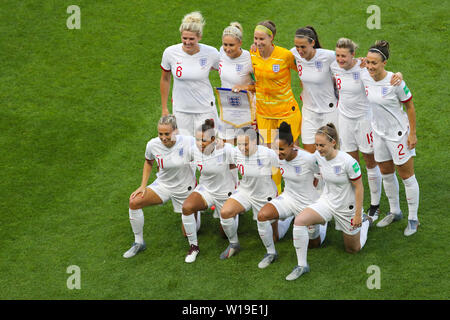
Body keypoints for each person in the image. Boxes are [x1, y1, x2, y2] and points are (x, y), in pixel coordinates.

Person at [286, 123, 372, 281]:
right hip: (326, 202)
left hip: (347, 207)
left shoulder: (348, 162)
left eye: (322, 145)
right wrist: (290, 148)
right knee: (299, 221)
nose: (318, 148)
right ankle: (302, 265)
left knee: (352, 249)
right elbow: (308, 155)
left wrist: (358, 215)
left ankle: (365, 223)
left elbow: (359, 187)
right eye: (316, 144)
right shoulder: (319, 156)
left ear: (333, 143)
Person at [330, 38, 403, 220]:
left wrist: (399, 75)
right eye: (338, 55)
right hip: (345, 120)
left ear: (353, 55)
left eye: (344, 56)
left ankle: (375, 205)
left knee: (370, 163)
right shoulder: (333, 66)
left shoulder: (364, 68)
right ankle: (356, 205)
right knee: (351, 164)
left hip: (364, 121)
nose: (340, 59)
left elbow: (384, 77)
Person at [361, 40, 420, 236]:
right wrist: (360, 61)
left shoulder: (396, 82)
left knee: (406, 176)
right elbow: (347, 61)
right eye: (368, 62)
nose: (370, 66)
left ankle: (413, 219)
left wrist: (412, 133)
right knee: (386, 172)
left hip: (398, 135)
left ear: (384, 63)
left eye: (374, 63)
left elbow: (410, 106)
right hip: (379, 134)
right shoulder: (365, 75)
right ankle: (395, 211)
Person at [123, 115, 198, 258]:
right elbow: (148, 162)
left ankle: (195, 214)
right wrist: (143, 186)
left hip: (184, 189)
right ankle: (138, 242)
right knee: (134, 202)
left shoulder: (189, 142)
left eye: (167, 134)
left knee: (186, 232)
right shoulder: (152, 144)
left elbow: (204, 158)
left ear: (175, 131)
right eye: (160, 134)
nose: (163, 138)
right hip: (163, 185)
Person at [257, 122, 327, 269]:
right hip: (288, 198)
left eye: (281, 149)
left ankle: (322, 223)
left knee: (314, 245)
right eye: (275, 148)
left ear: (291, 146)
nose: (278, 152)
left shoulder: (307, 159)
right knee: (262, 216)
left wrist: (322, 195)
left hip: (309, 203)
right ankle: (271, 253)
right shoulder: (277, 157)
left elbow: (325, 171)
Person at [251, 20, 301, 193]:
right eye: (255, 38)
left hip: (287, 112)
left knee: (290, 154)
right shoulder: (252, 55)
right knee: (270, 158)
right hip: (264, 114)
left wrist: (308, 93)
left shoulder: (285, 55)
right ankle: (277, 195)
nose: (258, 43)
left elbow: (305, 71)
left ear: (271, 38)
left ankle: (299, 193)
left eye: (262, 39)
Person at [181, 119, 237, 263]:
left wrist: (239, 190)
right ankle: (194, 247)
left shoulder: (226, 149)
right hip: (205, 189)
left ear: (213, 139)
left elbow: (240, 163)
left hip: (225, 192)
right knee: (187, 208)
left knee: (224, 234)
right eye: (197, 139)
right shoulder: (193, 150)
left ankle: (234, 230)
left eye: (203, 140)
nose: (200, 143)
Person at [218, 126, 278, 260]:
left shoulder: (268, 154)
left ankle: (285, 220)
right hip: (245, 191)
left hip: (265, 195)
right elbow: (225, 154)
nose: (241, 147)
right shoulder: (235, 152)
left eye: (245, 144)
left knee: (274, 237)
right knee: (225, 213)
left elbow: (286, 165)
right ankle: (234, 244)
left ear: (254, 142)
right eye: (239, 144)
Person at [160, 11, 220, 136]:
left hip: (205, 110)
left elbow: (227, 66)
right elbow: (165, 79)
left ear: (199, 37)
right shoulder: (170, 53)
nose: (187, 42)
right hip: (181, 111)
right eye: (184, 38)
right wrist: (164, 108)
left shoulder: (211, 53)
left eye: (191, 39)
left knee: (208, 148)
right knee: (185, 149)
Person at [291, 26, 338, 153]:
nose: (299, 51)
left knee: (331, 152)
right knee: (310, 153)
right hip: (309, 111)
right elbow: (274, 55)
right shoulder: (294, 54)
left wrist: (362, 62)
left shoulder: (328, 56)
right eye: (297, 46)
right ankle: (316, 174)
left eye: (303, 47)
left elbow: (348, 59)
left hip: (329, 111)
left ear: (312, 43)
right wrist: (256, 49)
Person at [217, 22, 255, 145]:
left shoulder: (249, 58)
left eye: (231, 45)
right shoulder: (221, 53)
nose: (227, 49)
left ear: (240, 43)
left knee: (244, 149)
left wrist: (243, 87)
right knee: (226, 149)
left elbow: (261, 86)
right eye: (225, 44)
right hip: (226, 109)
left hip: (245, 111)